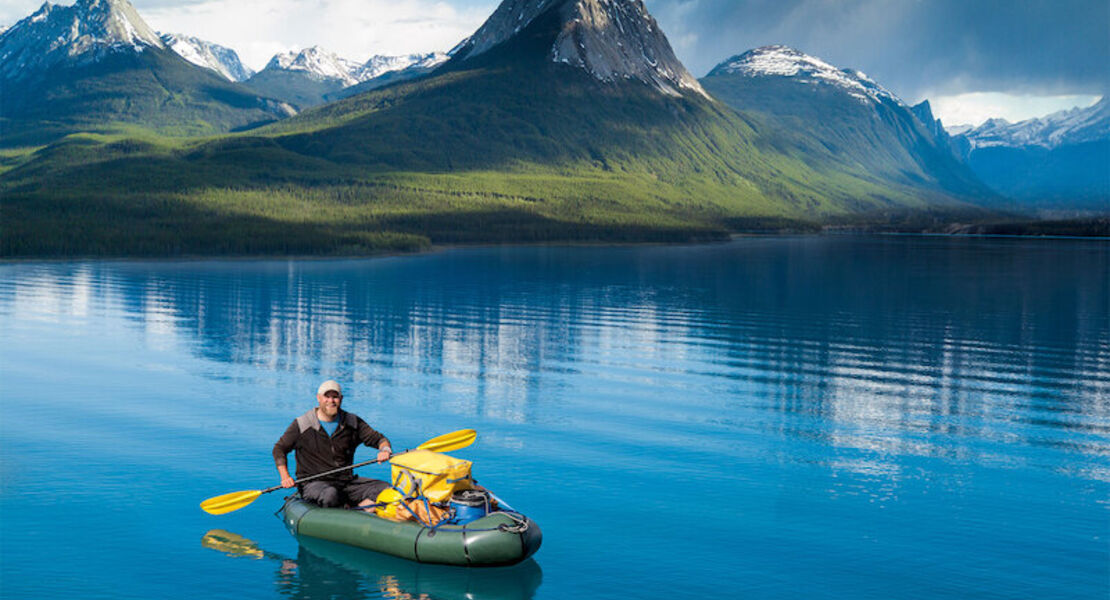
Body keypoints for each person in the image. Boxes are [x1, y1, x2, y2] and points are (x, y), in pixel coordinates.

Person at [273, 380, 393, 508]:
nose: (331, 401)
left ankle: (360, 513)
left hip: (346, 482)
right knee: (331, 494)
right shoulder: (302, 424)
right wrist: (285, 476)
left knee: (386, 489)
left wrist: (385, 450)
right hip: (313, 484)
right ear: (318, 398)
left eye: (335, 397)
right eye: (327, 396)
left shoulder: (352, 422)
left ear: (341, 399)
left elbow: (379, 439)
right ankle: (348, 512)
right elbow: (279, 449)